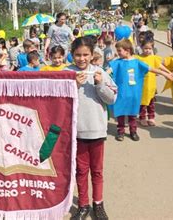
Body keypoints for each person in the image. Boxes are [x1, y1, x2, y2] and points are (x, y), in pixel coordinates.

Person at [66, 37, 117, 220]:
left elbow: (112, 99)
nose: (82, 59)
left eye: (85, 54)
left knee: (97, 170)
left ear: (92, 54)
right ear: (72, 55)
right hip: (76, 132)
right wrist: (74, 85)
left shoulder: (100, 72)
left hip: (96, 130)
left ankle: (98, 204)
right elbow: (60, 101)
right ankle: (83, 205)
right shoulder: (66, 73)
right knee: (81, 170)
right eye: (78, 55)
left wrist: (99, 84)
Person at [109, 39, 172, 141]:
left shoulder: (137, 62)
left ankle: (133, 131)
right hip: (121, 93)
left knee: (132, 114)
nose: (118, 53)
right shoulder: (117, 63)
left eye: (119, 51)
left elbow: (151, 69)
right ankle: (120, 131)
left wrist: (166, 74)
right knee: (120, 113)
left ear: (127, 50)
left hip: (134, 93)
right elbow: (108, 71)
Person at [136, 40, 172, 126]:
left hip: (151, 84)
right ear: (141, 48)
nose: (147, 50)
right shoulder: (137, 58)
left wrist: (169, 72)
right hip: (141, 85)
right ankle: (142, 117)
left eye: (149, 48)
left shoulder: (153, 58)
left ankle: (151, 117)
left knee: (151, 103)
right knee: (143, 103)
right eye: (145, 48)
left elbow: (160, 66)